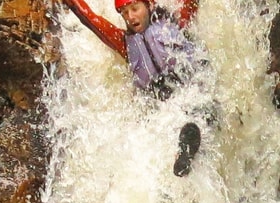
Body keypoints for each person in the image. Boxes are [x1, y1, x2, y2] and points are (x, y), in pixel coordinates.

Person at [59, 0, 205, 176]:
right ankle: (182, 156)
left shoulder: (174, 24)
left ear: (149, 5)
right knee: (167, 127)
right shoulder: (124, 43)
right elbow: (89, 18)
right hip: (162, 108)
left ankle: (188, 146)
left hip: (193, 92)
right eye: (125, 13)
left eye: (135, 9)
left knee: (198, 115)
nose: (130, 17)